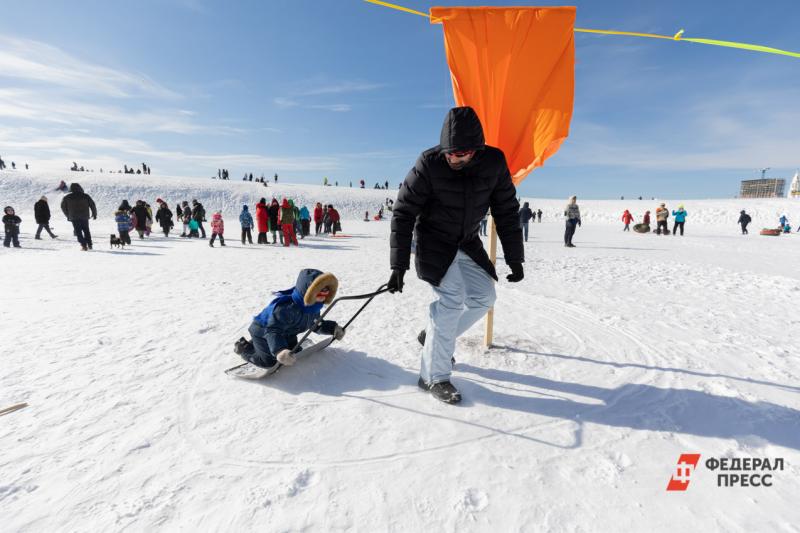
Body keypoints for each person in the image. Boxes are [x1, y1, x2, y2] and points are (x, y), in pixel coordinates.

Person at [388, 106, 524, 404]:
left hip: (467, 241)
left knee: (484, 297)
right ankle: (433, 376)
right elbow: (403, 212)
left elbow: (507, 212)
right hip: (433, 242)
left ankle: (433, 337)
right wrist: (398, 265)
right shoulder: (429, 163)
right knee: (451, 299)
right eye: (450, 153)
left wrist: (515, 257)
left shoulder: (494, 162)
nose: (454, 159)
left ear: (476, 150)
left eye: (460, 155)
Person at [234, 269, 344, 369]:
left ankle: (260, 346)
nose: (322, 297)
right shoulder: (286, 309)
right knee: (269, 362)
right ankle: (244, 348)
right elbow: (273, 331)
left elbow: (315, 324)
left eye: (326, 293)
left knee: (294, 351)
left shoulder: (313, 306)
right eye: (319, 293)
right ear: (307, 292)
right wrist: (280, 351)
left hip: (287, 332)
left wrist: (332, 329)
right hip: (263, 331)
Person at [60, 182, 97, 251]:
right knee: (86, 230)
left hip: (74, 217)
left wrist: (67, 215)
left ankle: (84, 245)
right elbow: (92, 205)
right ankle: (89, 244)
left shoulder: (67, 197)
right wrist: (94, 214)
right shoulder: (85, 196)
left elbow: (63, 207)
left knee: (78, 232)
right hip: (84, 216)